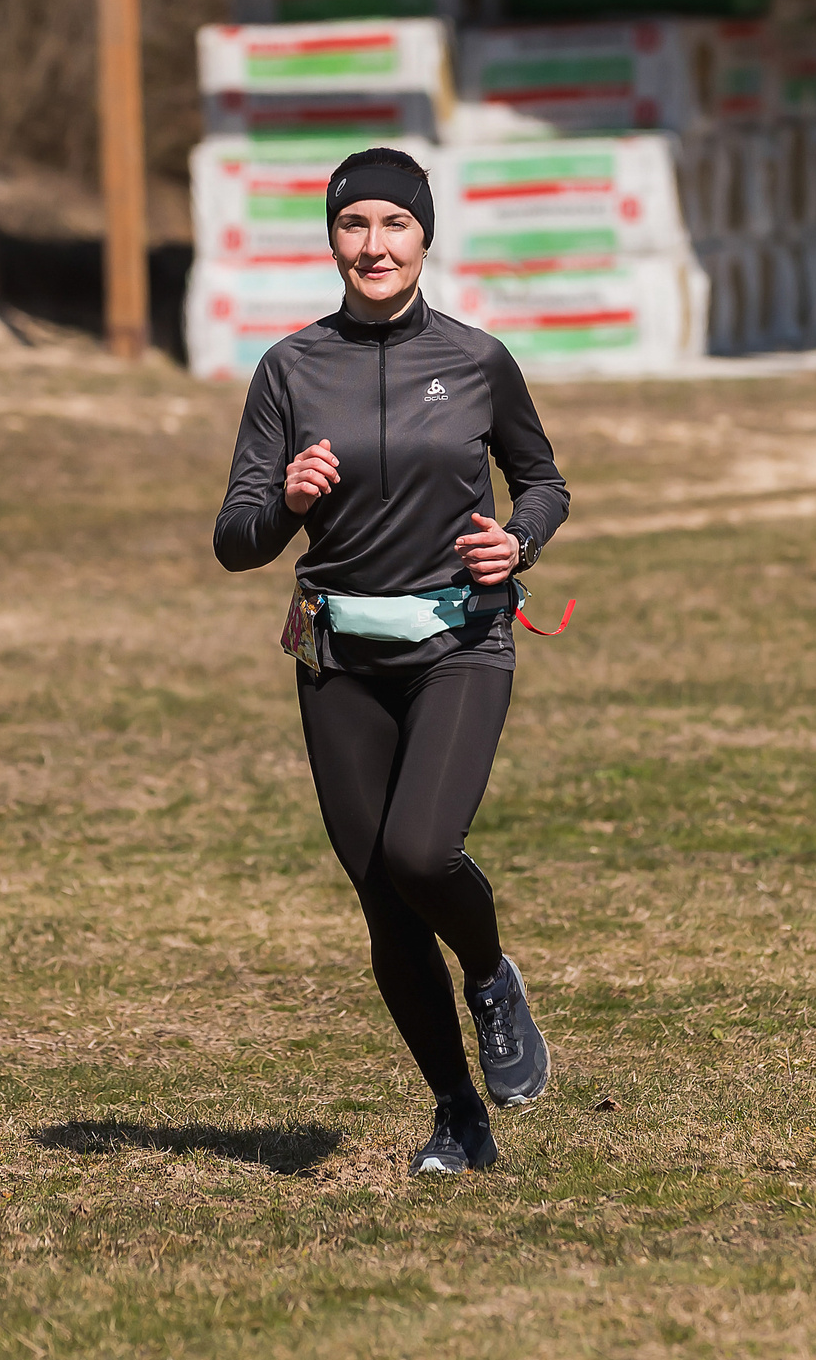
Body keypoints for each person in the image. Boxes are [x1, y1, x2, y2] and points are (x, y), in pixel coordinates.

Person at [213, 147, 569, 1177]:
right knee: (380, 892)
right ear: (331, 238)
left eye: (394, 224)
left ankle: (493, 975)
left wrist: (521, 537)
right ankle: (459, 1113)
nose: (374, 243)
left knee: (421, 854)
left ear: (424, 236)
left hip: (462, 639)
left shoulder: (477, 359)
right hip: (338, 657)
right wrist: (286, 500)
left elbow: (542, 478)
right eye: (353, 224)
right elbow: (235, 538)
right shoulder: (290, 368)